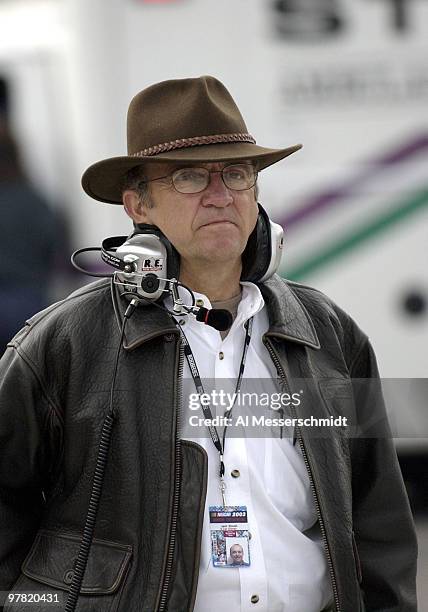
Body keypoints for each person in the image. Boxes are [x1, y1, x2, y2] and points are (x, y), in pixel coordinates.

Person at [0, 76, 417, 612]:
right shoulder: (62, 345)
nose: (221, 195)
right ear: (137, 206)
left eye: (237, 174)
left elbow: (378, 517)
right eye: (191, 177)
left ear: (256, 195)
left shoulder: (328, 334)